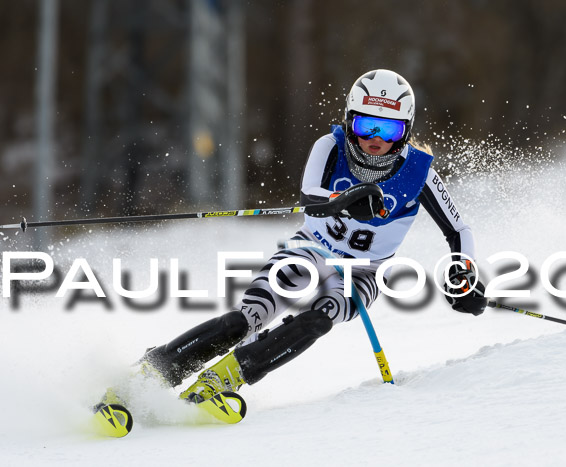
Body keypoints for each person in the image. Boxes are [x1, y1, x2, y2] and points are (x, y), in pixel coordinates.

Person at [130, 69, 487, 404]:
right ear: (349, 121)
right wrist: (347, 200)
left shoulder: (419, 173)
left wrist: (464, 275)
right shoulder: (329, 147)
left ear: (406, 130)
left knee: (321, 317)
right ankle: (155, 370)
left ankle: (228, 377)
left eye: (389, 131)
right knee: (245, 318)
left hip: (364, 273)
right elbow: (310, 198)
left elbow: (458, 230)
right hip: (310, 249)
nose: (374, 140)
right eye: (365, 126)